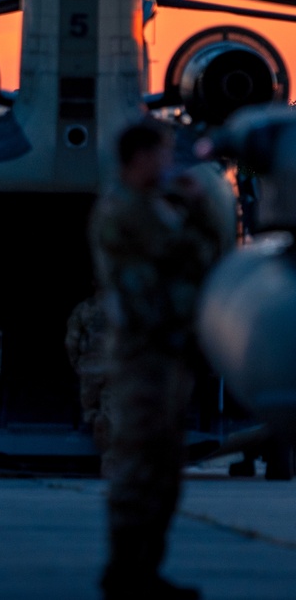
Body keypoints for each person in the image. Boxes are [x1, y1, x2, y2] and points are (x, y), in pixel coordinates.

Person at [90, 119, 223, 600]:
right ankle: (125, 569)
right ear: (139, 157)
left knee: (164, 470)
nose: (168, 164)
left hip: (167, 353)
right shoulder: (124, 212)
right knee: (138, 465)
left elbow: (202, 257)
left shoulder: (152, 208)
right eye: (162, 154)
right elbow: (187, 255)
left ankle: (144, 570)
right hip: (142, 354)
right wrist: (199, 208)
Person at [65, 289, 112, 471]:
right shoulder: (123, 306)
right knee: (110, 412)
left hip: (91, 367)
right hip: (115, 366)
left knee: (91, 411)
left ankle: (96, 423)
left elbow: (71, 340)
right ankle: (108, 459)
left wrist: (77, 363)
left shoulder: (84, 308)